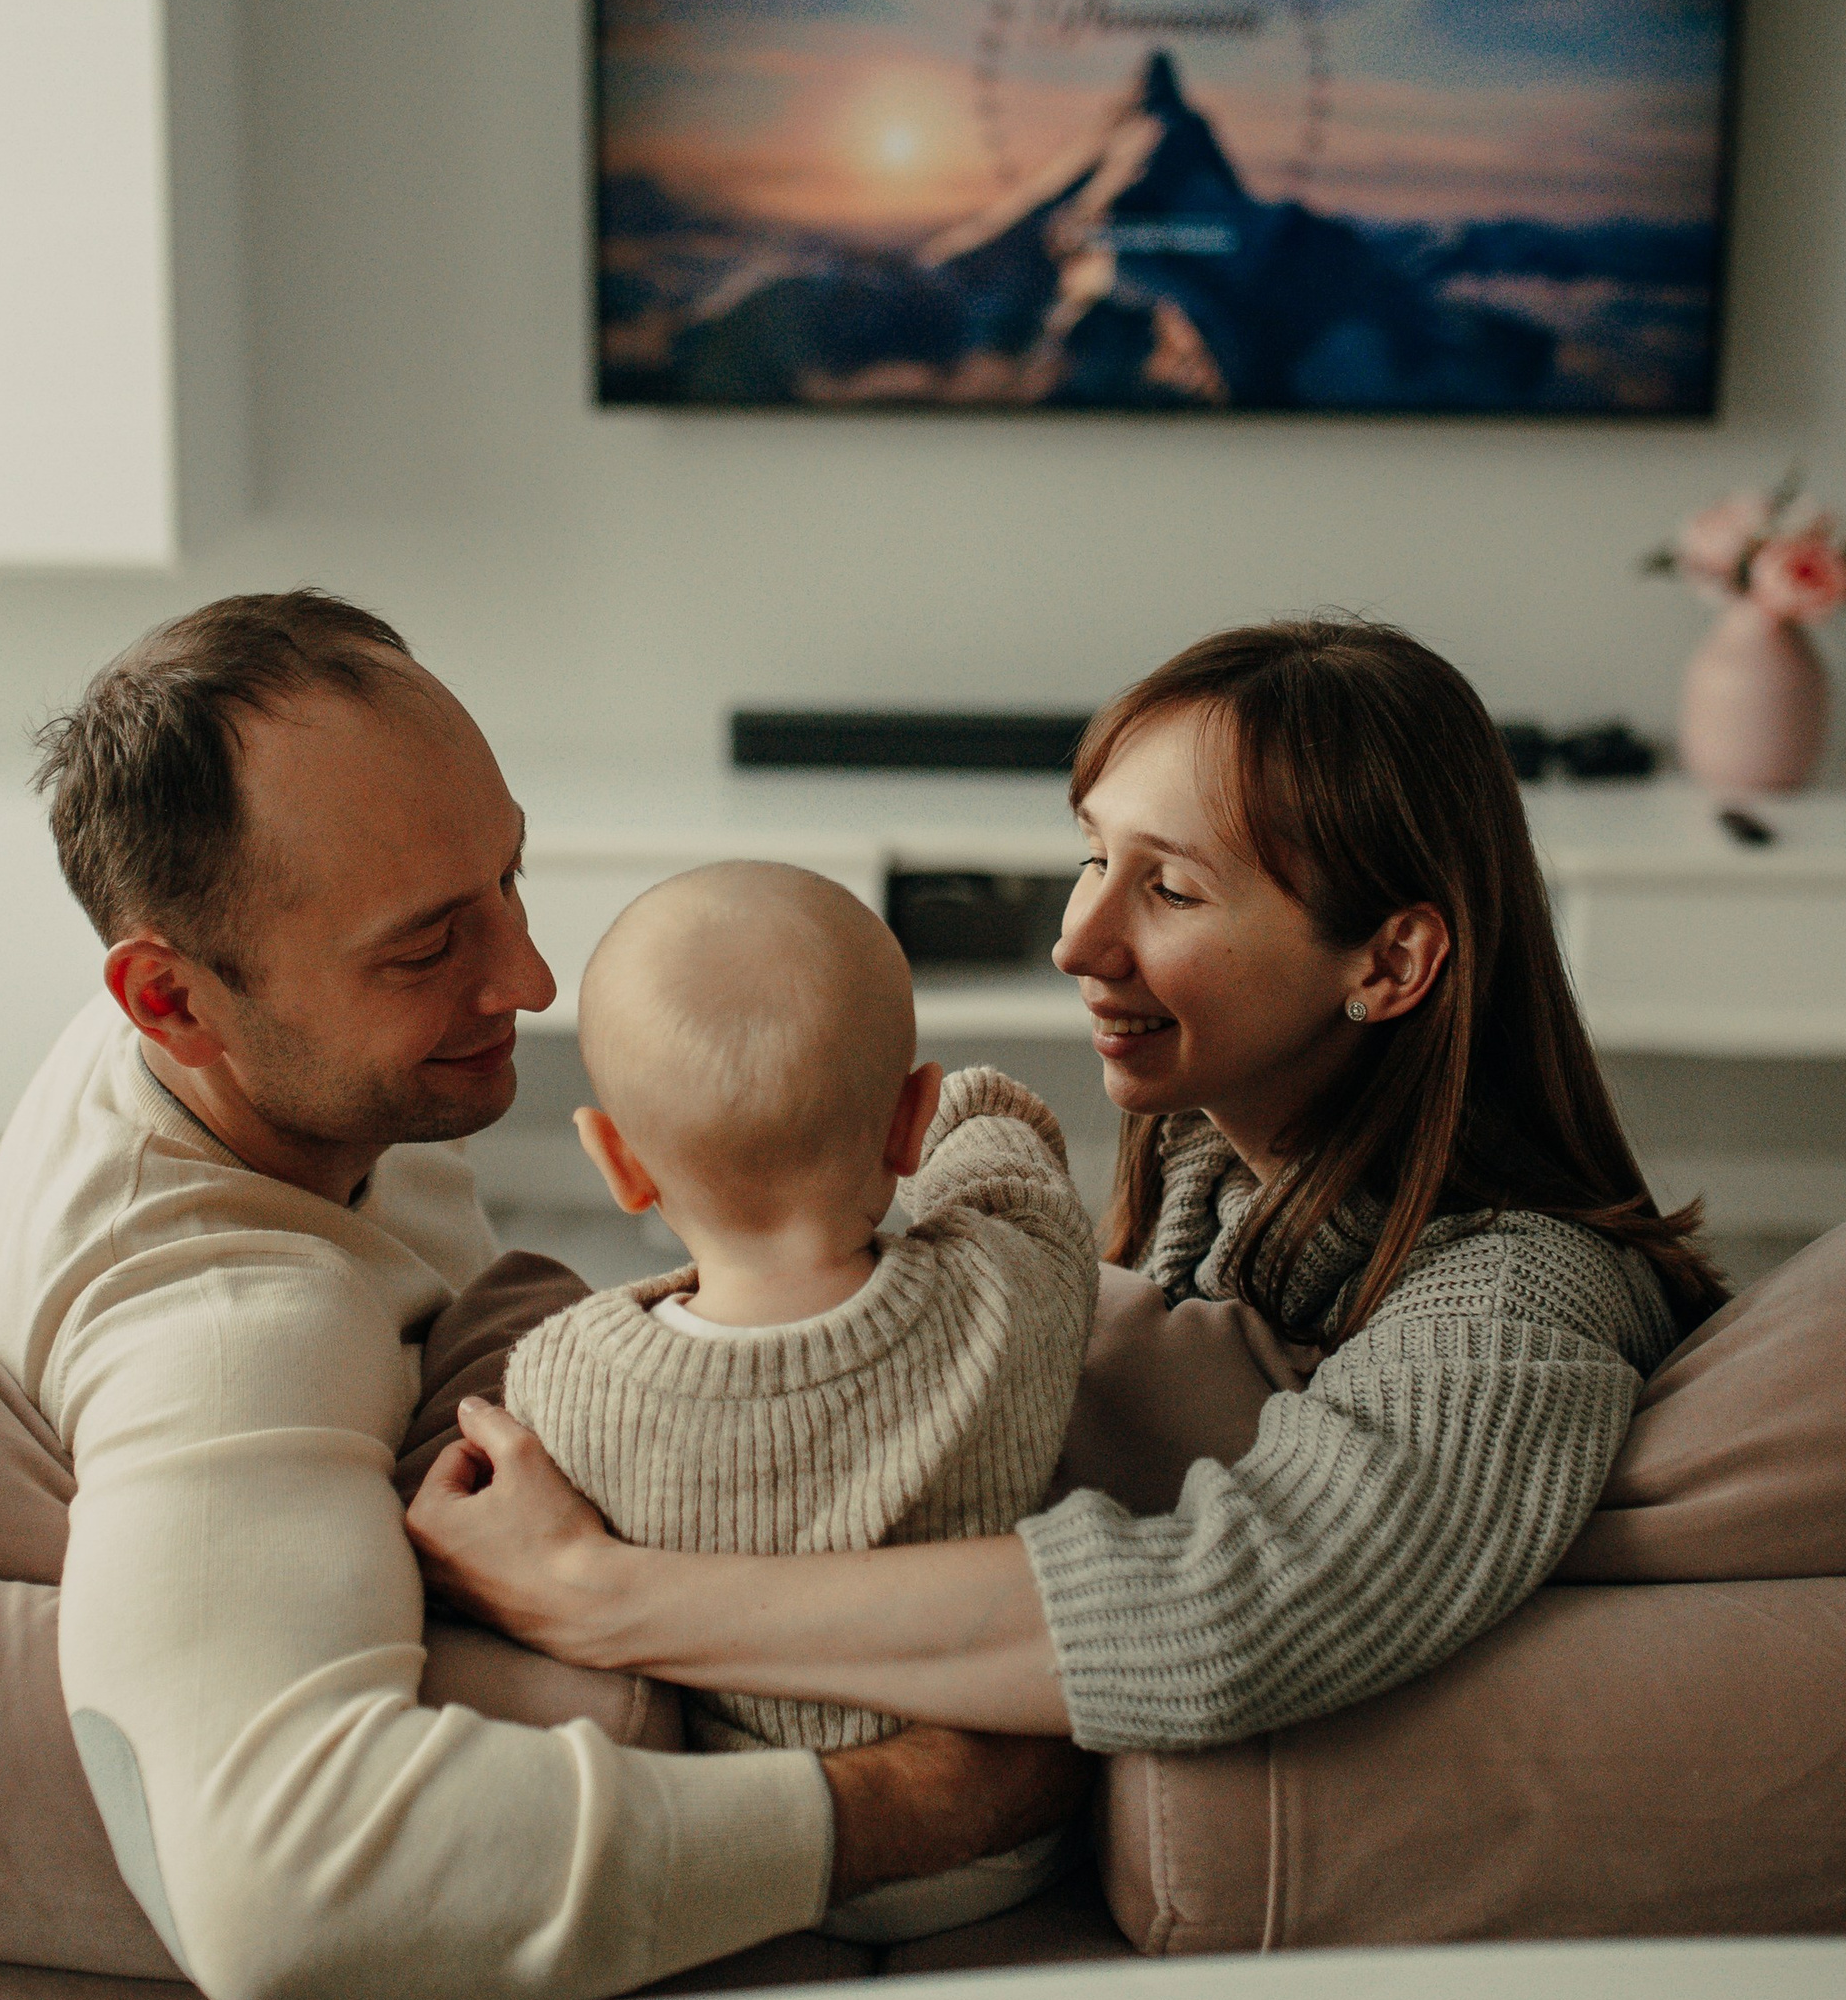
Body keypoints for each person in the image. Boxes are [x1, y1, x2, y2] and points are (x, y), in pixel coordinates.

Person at [0, 591, 1078, 2000]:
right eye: (424, 951)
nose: (531, 982)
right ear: (169, 998)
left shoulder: (251, 1047)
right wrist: (911, 1799)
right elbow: (279, 1888)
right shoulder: (223, 1336)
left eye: (513, 877)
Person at [407, 617, 1726, 1763]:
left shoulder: (1522, 1300)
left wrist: (605, 1595)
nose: (1075, 941)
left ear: (1389, 959)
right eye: (1095, 857)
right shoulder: (1216, 1180)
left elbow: (1226, 1609)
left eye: (1171, 887)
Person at [497, 860, 1096, 1934]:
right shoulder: (1013, 1288)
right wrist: (937, 1103)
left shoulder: (562, 1374)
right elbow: (1010, 1145)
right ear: (906, 1125)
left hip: (773, 1847)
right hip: (1007, 1844)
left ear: (616, 1163)